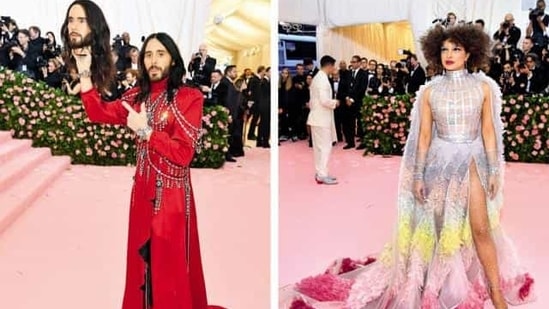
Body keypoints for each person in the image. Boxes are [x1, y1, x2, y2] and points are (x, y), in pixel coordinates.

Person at [284, 24, 535, 309]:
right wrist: (417, 175)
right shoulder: (429, 92)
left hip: (474, 162)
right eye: (444, 49)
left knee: (481, 229)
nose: (449, 54)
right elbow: (424, 136)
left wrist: (492, 168)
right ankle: (438, 287)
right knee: (439, 230)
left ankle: (497, 295)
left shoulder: (483, 87)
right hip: (438, 166)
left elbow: (488, 130)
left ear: (469, 53)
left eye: (456, 49)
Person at [64, 2, 223, 308]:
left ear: (173, 59)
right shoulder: (136, 96)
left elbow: (184, 154)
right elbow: (98, 112)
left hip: (173, 198)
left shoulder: (190, 97)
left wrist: (147, 132)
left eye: (160, 53)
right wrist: (84, 72)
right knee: (141, 266)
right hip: (141, 195)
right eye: (148, 54)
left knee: (169, 266)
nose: (153, 60)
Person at [307, 55, 339, 185]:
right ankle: (322, 174)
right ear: (329, 66)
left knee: (319, 148)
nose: (334, 69)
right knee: (325, 147)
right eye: (333, 66)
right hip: (321, 119)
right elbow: (324, 100)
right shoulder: (322, 80)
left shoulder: (317, 78)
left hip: (317, 118)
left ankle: (321, 172)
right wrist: (335, 102)